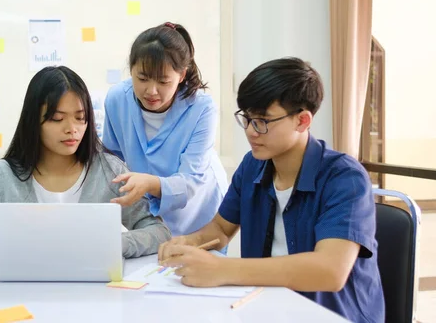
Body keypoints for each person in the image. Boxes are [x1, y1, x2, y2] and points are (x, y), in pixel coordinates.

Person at [158, 57, 385, 323]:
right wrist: (189, 242)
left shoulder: (344, 178)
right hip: (267, 308)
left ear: (302, 121)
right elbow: (220, 230)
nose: (251, 132)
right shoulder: (253, 165)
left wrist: (222, 269)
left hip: (331, 315)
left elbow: (330, 271)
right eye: (247, 118)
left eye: (263, 121)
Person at [0, 66, 170, 262]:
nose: (72, 128)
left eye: (80, 118)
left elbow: (159, 232)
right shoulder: (4, 175)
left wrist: (115, 243)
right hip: (21, 301)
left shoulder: (109, 170)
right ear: (34, 122)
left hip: (93, 297)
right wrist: (7, 252)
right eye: (57, 119)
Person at [103, 22, 228, 236]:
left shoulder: (202, 109)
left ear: (181, 76)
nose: (151, 91)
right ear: (131, 69)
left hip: (199, 208)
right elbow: (109, 159)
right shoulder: (117, 99)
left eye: (163, 81)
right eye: (142, 78)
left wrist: (149, 183)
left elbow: (192, 180)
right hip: (149, 216)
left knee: (195, 263)